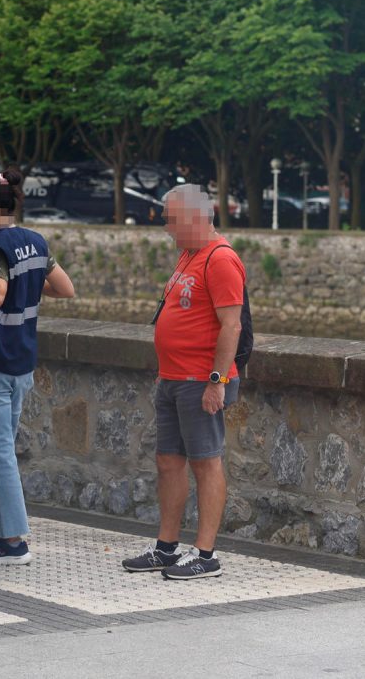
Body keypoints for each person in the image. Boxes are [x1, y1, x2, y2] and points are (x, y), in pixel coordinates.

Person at [122, 184, 244, 580]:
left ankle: (206, 555)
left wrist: (216, 380)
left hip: (199, 379)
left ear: (195, 217)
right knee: (168, 463)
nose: (167, 228)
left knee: (206, 464)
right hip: (173, 378)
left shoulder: (221, 259)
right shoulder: (189, 255)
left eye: (172, 220)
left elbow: (232, 325)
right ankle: (166, 548)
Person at [0, 168, 75, 564]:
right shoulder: (36, 242)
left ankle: (13, 541)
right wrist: (29, 284)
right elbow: (65, 288)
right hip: (23, 360)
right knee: (1, 448)